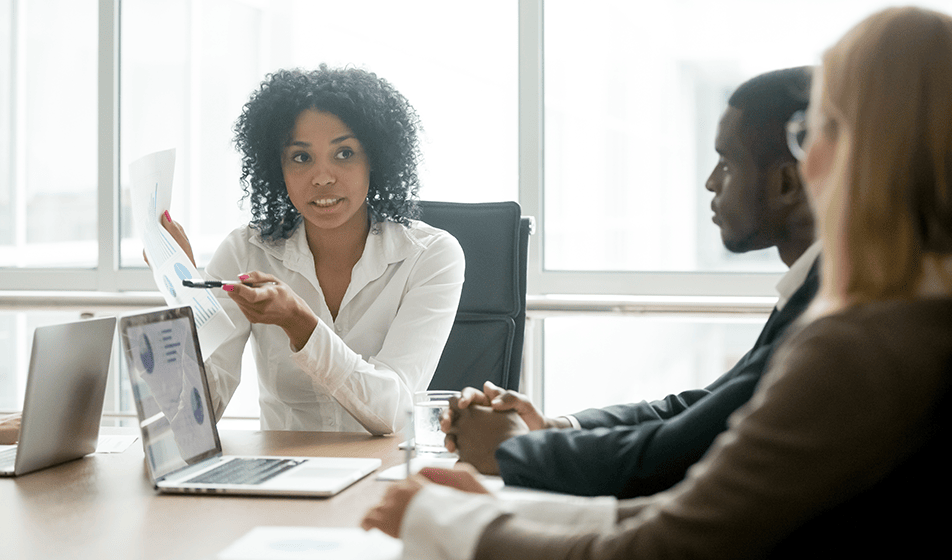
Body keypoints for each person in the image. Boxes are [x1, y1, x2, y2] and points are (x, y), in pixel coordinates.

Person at [362, 6, 952, 557]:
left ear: (861, 150)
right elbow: (715, 498)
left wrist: (445, 519)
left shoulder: (863, 343)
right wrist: (515, 501)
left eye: (812, 130)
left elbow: (668, 544)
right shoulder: (912, 319)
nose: (808, 158)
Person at [442, 66, 818, 498]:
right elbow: (703, 408)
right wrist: (557, 427)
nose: (711, 181)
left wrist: (517, 449)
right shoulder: (810, 287)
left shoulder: (828, 307)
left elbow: (676, 453)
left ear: (787, 182)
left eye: (728, 162)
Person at [162, 66, 465, 435]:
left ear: (376, 159)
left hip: (384, 477)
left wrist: (300, 324)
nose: (322, 176)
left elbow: (392, 411)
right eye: (301, 158)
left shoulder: (430, 256)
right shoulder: (246, 251)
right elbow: (193, 416)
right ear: (279, 168)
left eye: (344, 153)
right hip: (282, 476)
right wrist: (186, 293)